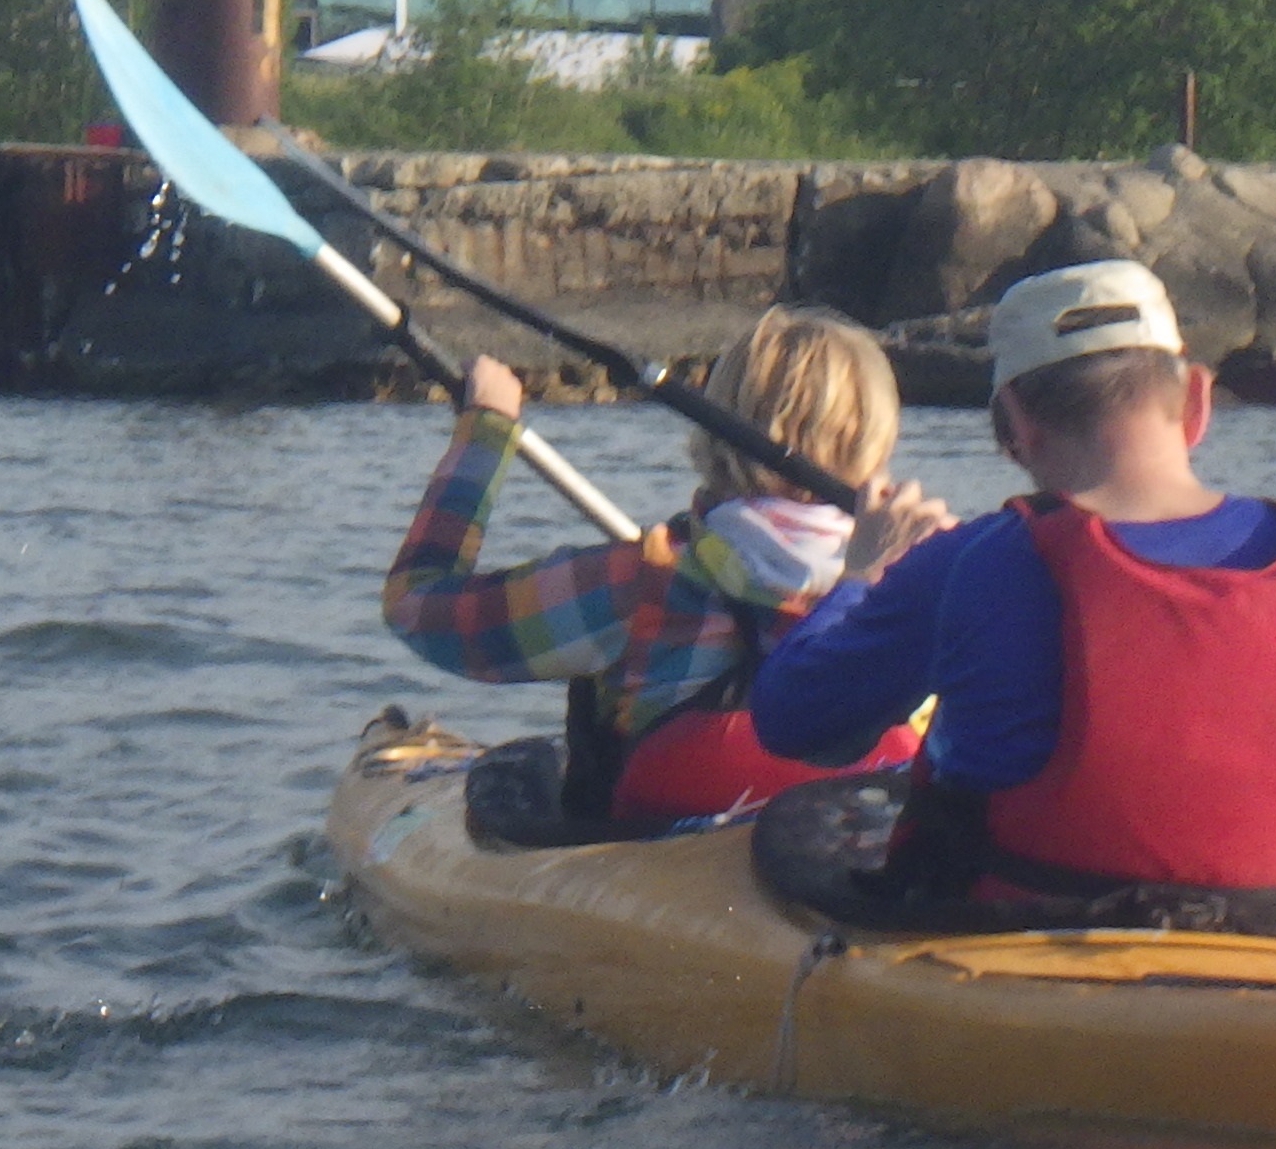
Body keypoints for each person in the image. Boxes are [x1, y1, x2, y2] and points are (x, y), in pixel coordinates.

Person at [750, 263, 1276, 925]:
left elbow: (794, 719)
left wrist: (862, 573)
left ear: (1015, 430)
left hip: (1014, 960)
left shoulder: (969, 564)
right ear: (1196, 402)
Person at [382, 304, 923, 828]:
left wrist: (486, 434)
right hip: (845, 865)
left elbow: (416, 608)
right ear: (876, 441)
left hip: (659, 874)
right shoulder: (923, 586)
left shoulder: (640, 581)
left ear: (717, 427)